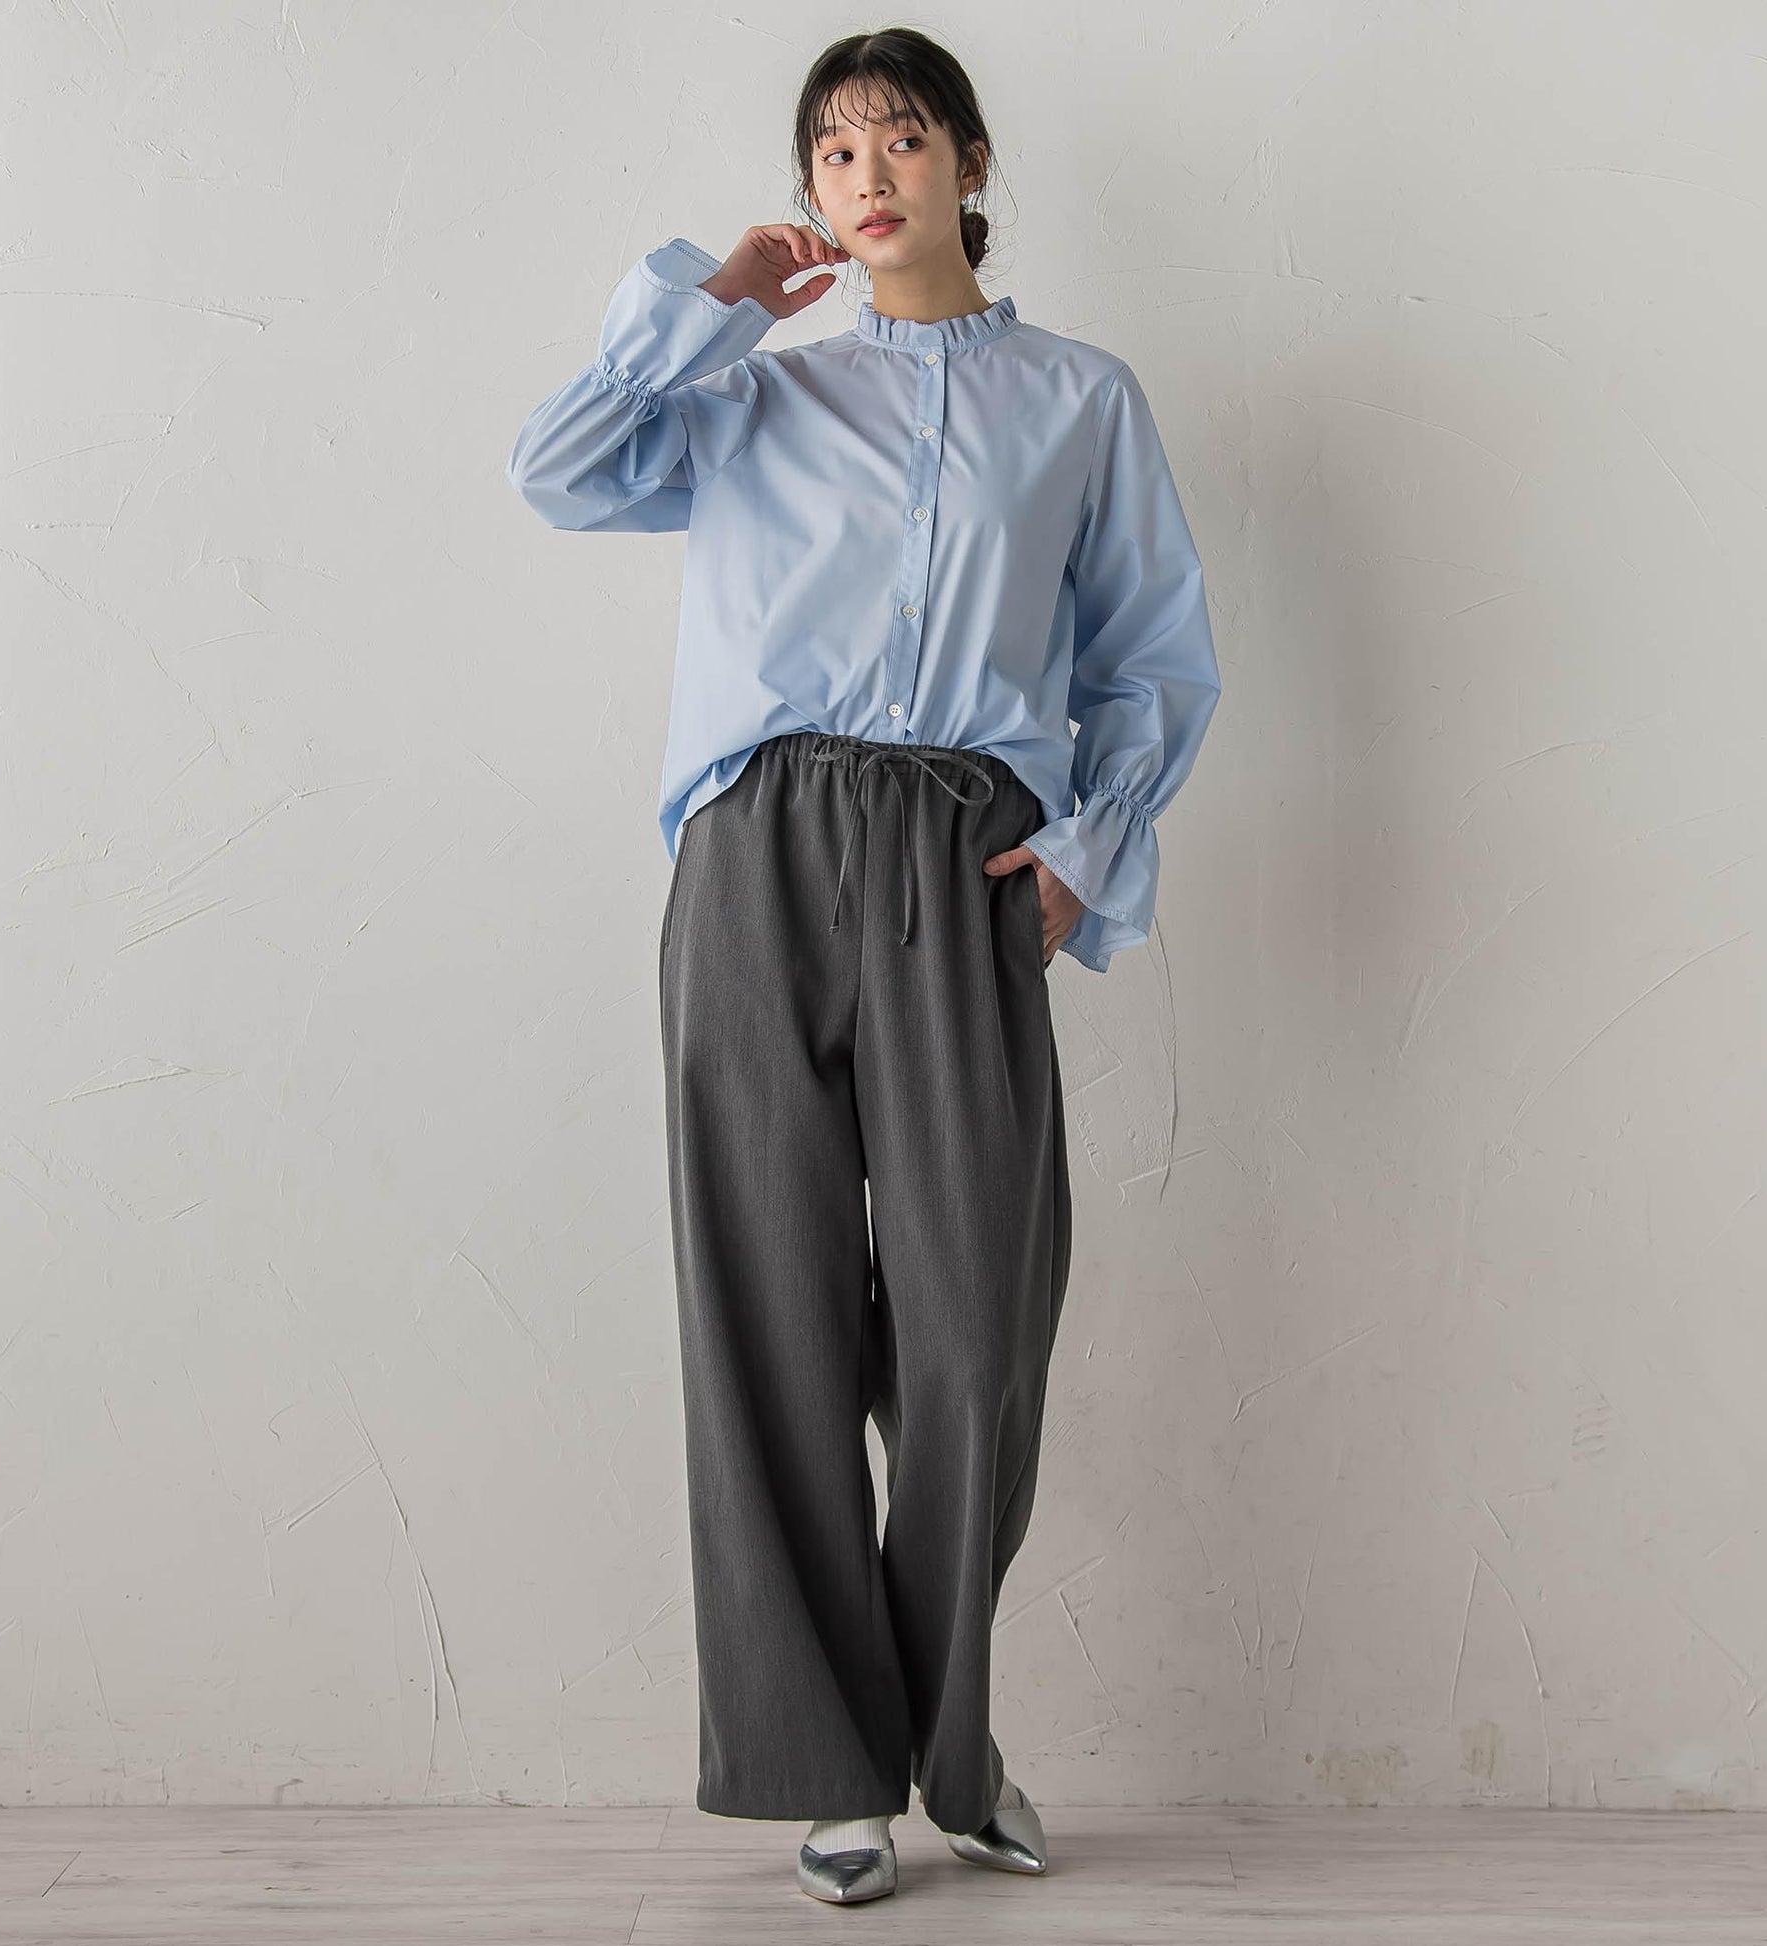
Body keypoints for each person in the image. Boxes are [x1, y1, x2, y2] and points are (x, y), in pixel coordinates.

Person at [506, 24, 1221, 1909]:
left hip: (967, 855)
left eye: (901, 137)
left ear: (970, 163)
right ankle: (827, 1765)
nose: (867, 173)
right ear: (808, 192)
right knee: (770, 1313)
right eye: (832, 151)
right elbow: (555, 472)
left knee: (977, 1328)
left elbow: (1151, 656)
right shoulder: (754, 396)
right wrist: (713, 306)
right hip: (758, 851)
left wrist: (1083, 854)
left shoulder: (1082, 400)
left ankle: (944, 1741)